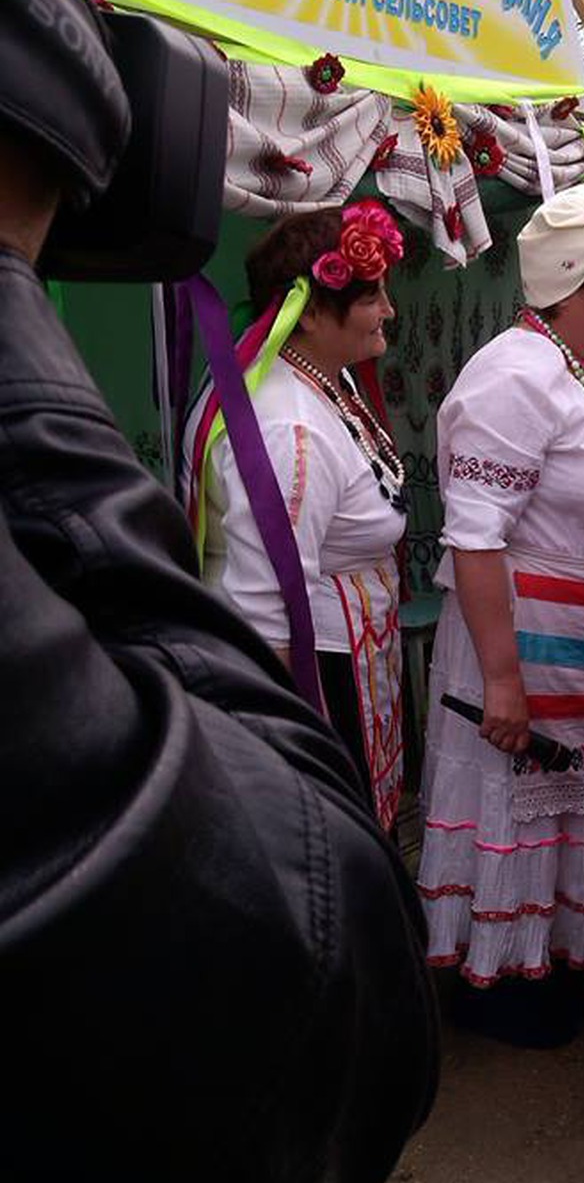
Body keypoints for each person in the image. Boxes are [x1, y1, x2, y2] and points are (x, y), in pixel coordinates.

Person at [0, 0, 436, 1183]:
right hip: (285, 677)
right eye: (372, 306)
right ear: (314, 306)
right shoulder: (274, 424)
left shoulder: (322, 400)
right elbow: (308, 968)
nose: (389, 325)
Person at [419, 176, 584, 1044]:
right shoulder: (513, 378)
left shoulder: (579, 368)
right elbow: (476, 539)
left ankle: (557, 965)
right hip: (513, 643)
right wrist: (501, 681)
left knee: (567, 814)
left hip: (569, 641)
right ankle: (499, 987)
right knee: (513, 804)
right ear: (576, 283)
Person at [186, 203, 408, 829]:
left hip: (354, 656)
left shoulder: (322, 380)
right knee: (334, 832)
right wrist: (285, 750)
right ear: (309, 310)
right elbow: (264, 608)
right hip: (320, 677)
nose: (389, 310)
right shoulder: (289, 428)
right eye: (373, 297)